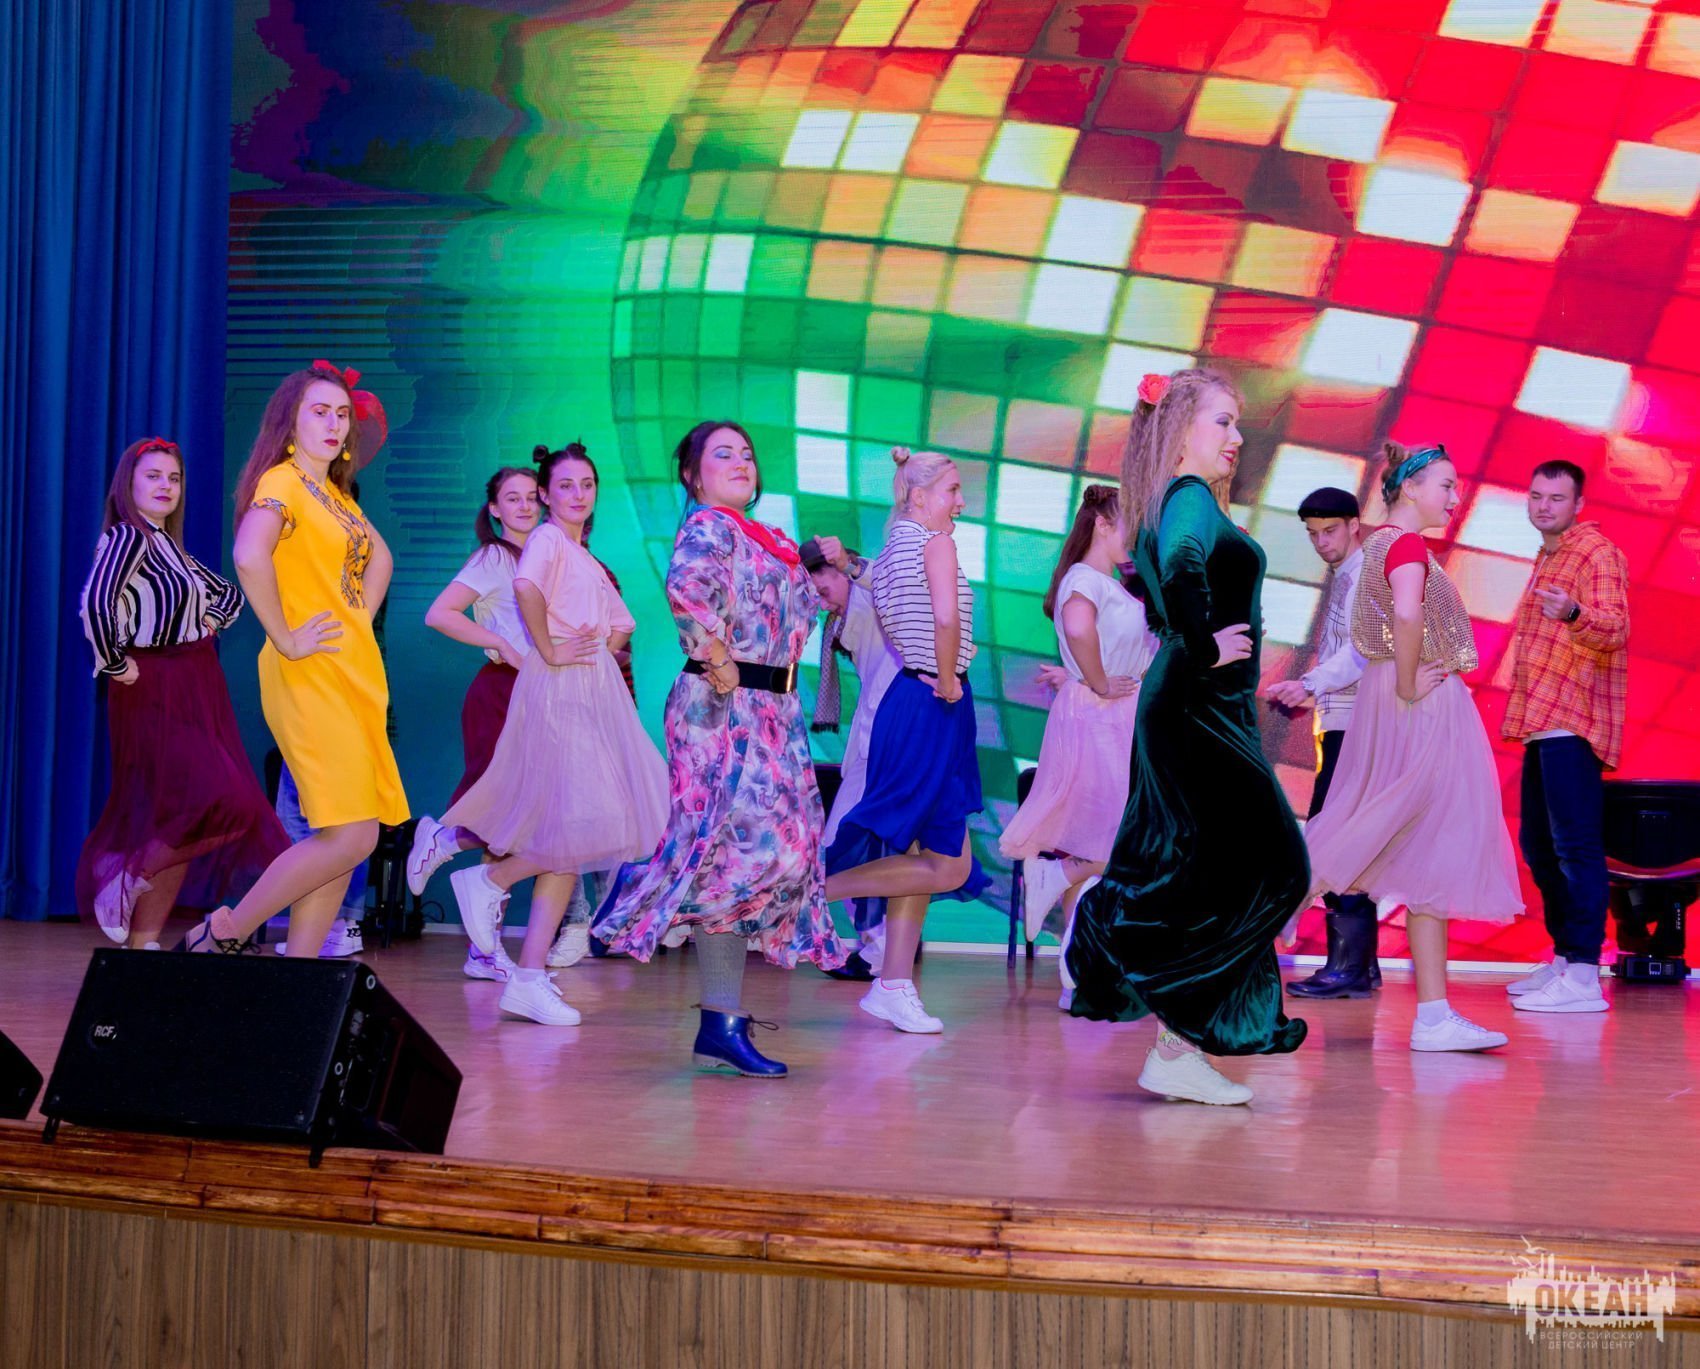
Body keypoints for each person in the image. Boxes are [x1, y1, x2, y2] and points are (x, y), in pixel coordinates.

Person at [1066, 369, 1309, 1107]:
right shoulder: (1190, 497)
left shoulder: (1174, 499)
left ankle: (1175, 1047)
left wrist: (1194, 643)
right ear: (1179, 430)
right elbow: (1178, 569)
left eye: (1237, 424)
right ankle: (1116, 932)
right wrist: (1203, 644)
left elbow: (1160, 584)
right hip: (1197, 706)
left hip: (1201, 705)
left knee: (1219, 868)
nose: (1237, 438)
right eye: (1223, 422)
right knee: (1276, 865)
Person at [594, 421, 848, 1075]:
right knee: (736, 859)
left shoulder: (762, 538)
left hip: (772, 711)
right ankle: (667, 902)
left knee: (769, 856)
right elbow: (687, 590)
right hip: (723, 706)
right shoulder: (709, 526)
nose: (741, 462)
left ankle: (716, 1012)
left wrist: (830, 565)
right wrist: (716, 655)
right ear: (693, 474)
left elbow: (793, 611)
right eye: (723, 454)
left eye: (748, 454)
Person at [182, 361, 409, 955]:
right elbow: (248, 554)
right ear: (290, 423)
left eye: (342, 414)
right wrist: (284, 636)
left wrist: (354, 619)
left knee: (347, 835)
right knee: (353, 834)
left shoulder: (333, 496)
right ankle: (224, 932)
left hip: (347, 670)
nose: (334, 424)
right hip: (307, 672)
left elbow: (381, 561)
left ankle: (297, 970)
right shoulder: (282, 482)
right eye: (320, 412)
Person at [1303, 443, 1523, 1051]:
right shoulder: (1401, 546)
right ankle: (1255, 920)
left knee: (1420, 848)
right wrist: (1405, 683)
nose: (1454, 497)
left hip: (1405, 698)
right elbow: (1405, 615)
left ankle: (1433, 1015)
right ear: (1411, 488)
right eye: (1446, 485)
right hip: (1419, 703)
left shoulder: (1383, 545)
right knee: (1378, 834)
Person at [441, 443, 667, 1025]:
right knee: (580, 826)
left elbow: (624, 622)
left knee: (574, 837)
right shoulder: (545, 540)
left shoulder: (579, 553)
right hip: (560, 691)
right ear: (545, 493)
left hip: (587, 691)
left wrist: (597, 653)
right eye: (565, 485)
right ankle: (492, 880)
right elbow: (525, 590)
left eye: (587, 484)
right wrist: (551, 649)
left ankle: (527, 975)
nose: (578, 494)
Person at [75, 437, 286, 949]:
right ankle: (125, 872)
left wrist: (206, 623)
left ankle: (143, 943)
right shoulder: (128, 536)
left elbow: (229, 595)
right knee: (223, 801)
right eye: (153, 476)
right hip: (157, 683)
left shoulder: (167, 544)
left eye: (173, 478)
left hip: (195, 679)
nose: (165, 486)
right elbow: (96, 605)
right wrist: (116, 663)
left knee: (186, 817)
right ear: (128, 484)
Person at [823, 447, 985, 1035]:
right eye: (952, 490)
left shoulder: (893, 550)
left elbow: (872, 580)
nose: (961, 502)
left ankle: (892, 983)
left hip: (912, 701)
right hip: (932, 701)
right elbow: (944, 618)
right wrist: (947, 679)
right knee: (945, 862)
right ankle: (813, 892)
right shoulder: (935, 544)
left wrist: (847, 561)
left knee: (927, 857)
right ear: (918, 496)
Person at [1001, 484, 1156, 1010]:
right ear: (1104, 525)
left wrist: (1084, 677)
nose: (1135, 537)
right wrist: (1098, 680)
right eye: (1129, 525)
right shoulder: (1086, 578)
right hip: (1101, 716)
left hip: (1110, 713)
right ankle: (1058, 879)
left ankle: (1081, 970)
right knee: (1123, 840)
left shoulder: (1105, 582)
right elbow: (1077, 626)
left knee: (1109, 837)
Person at [1501, 460, 1629, 1014]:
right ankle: (1563, 958)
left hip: (1573, 719)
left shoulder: (1596, 552)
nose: (1544, 506)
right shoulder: (1549, 554)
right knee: (1538, 844)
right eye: (1536, 496)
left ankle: (1582, 972)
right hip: (1542, 718)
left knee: (1576, 845)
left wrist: (1574, 611)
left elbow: (1616, 626)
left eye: (1556, 498)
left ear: (1578, 504)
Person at [407, 464, 540, 981]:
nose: (525, 505)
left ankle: (484, 951)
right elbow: (439, 613)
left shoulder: (543, 555)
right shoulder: (493, 557)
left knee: (515, 828)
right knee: (509, 816)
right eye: (513, 497)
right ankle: (441, 839)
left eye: (532, 496)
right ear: (494, 508)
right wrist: (501, 643)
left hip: (536, 696)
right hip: (501, 692)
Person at [1261, 487, 1379, 998]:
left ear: (1355, 525)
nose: (1321, 542)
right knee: (1344, 835)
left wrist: (1309, 684)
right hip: (1342, 721)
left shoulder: (1366, 574)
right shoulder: (1347, 574)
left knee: (1334, 835)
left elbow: (1363, 649)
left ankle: (1349, 966)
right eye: (1312, 534)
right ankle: (1359, 964)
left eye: (1329, 531)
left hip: (1355, 724)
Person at [802, 537, 900, 981]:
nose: (822, 601)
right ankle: (878, 946)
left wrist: (849, 564)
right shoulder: (840, 619)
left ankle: (880, 948)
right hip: (874, 737)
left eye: (823, 588)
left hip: (890, 738)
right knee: (855, 841)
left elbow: (878, 579)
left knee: (850, 839)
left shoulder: (873, 592)